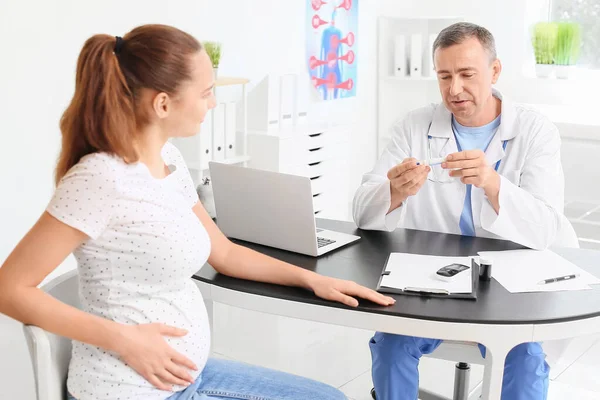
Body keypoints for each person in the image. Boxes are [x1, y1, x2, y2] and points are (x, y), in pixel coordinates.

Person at [0, 24, 396, 400]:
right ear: (163, 103)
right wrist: (125, 340)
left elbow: (222, 253)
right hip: (131, 388)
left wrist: (309, 280)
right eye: (206, 92)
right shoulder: (99, 179)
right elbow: (9, 289)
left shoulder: (168, 160)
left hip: (190, 374)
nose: (214, 102)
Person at [353, 22, 576, 400]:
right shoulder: (414, 126)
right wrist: (393, 191)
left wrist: (492, 183)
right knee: (390, 343)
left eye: (466, 74)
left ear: (494, 71)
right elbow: (362, 210)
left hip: (512, 286)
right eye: (444, 76)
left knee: (523, 360)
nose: (454, 89)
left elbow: (546, 228)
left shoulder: (535, 131)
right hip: (434, 281)